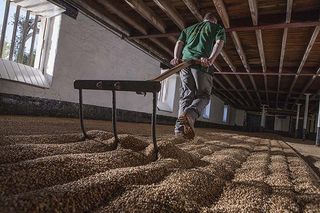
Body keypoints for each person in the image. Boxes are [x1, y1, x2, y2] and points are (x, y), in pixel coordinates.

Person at [170, 12, 226, 139]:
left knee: (186, 95)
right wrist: (211, 59)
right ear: (214, 21)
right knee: (204, 95)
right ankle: (190, 114)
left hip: (184, 64)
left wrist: (176, 58)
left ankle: (179, 131)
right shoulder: (217, 28)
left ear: (204, 19)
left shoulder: (188, 29)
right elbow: (219, 43)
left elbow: (179, 43)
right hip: (200, 64)